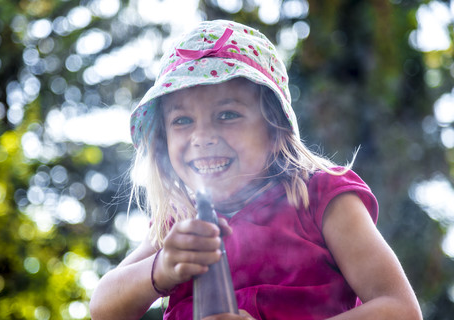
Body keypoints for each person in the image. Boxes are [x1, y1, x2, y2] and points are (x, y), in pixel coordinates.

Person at [89, 20, 422, 320]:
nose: (201, 138)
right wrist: (161, 268)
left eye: (228, 114)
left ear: (274, 126)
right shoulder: (181, 223)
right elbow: (104, 307)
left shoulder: (321, 196)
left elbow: (399, 308)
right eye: (182, 121)